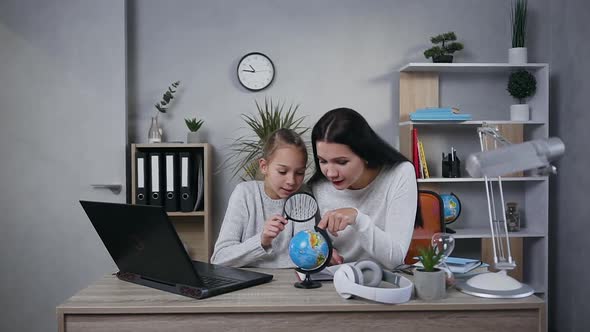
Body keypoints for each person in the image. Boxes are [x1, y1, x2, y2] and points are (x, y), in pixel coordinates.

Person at [309, 108, 419, 270]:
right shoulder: (317, 186)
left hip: (383, 282)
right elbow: (310, 242)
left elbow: (396, 259)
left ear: (365, 154)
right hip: (332, 282)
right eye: (323, 161)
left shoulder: (400, 173)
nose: (330, 173)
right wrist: (324, 252)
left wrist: (358, 219)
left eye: (341, 162)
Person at [211, 128, 313, 268]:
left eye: (300, 173)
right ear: (264, 166)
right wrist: (261, 240)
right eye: (282, 171)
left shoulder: (303, 197)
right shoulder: (245, 193)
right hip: (251, 284)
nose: (291, 181)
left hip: (291, 282)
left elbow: (308, 257)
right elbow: (219, 258)